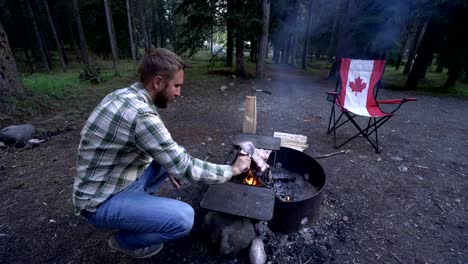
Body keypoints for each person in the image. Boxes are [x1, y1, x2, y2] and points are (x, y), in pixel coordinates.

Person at [72, 48, 251, 259]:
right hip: (99, 203)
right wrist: (232, 169)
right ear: (157, 82)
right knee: (183, 218)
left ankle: (139, 213)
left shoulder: (125, 95)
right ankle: (124, 241)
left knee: (165, 162)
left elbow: (166, 152)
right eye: (176, 86)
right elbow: (185, 167)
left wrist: (170, 165)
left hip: (111, 181)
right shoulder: (141, 115)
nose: (178, 93)